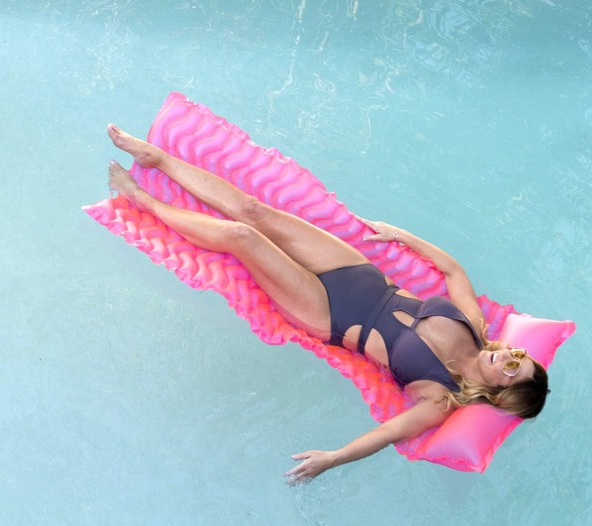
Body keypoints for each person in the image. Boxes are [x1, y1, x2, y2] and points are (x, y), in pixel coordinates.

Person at [105, 124, 550, 483]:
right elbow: (455, 272)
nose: (508, 356)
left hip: (326, 313)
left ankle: (142, 201)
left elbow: (386, 434)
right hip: (359, 274)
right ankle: (157, 158)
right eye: (518, 354)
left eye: (512, 369)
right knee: (254, 211)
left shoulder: (441, 398)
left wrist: (332, 458)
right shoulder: (475, 326)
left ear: (499, 393)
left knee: (241, 237)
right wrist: (403, 237)